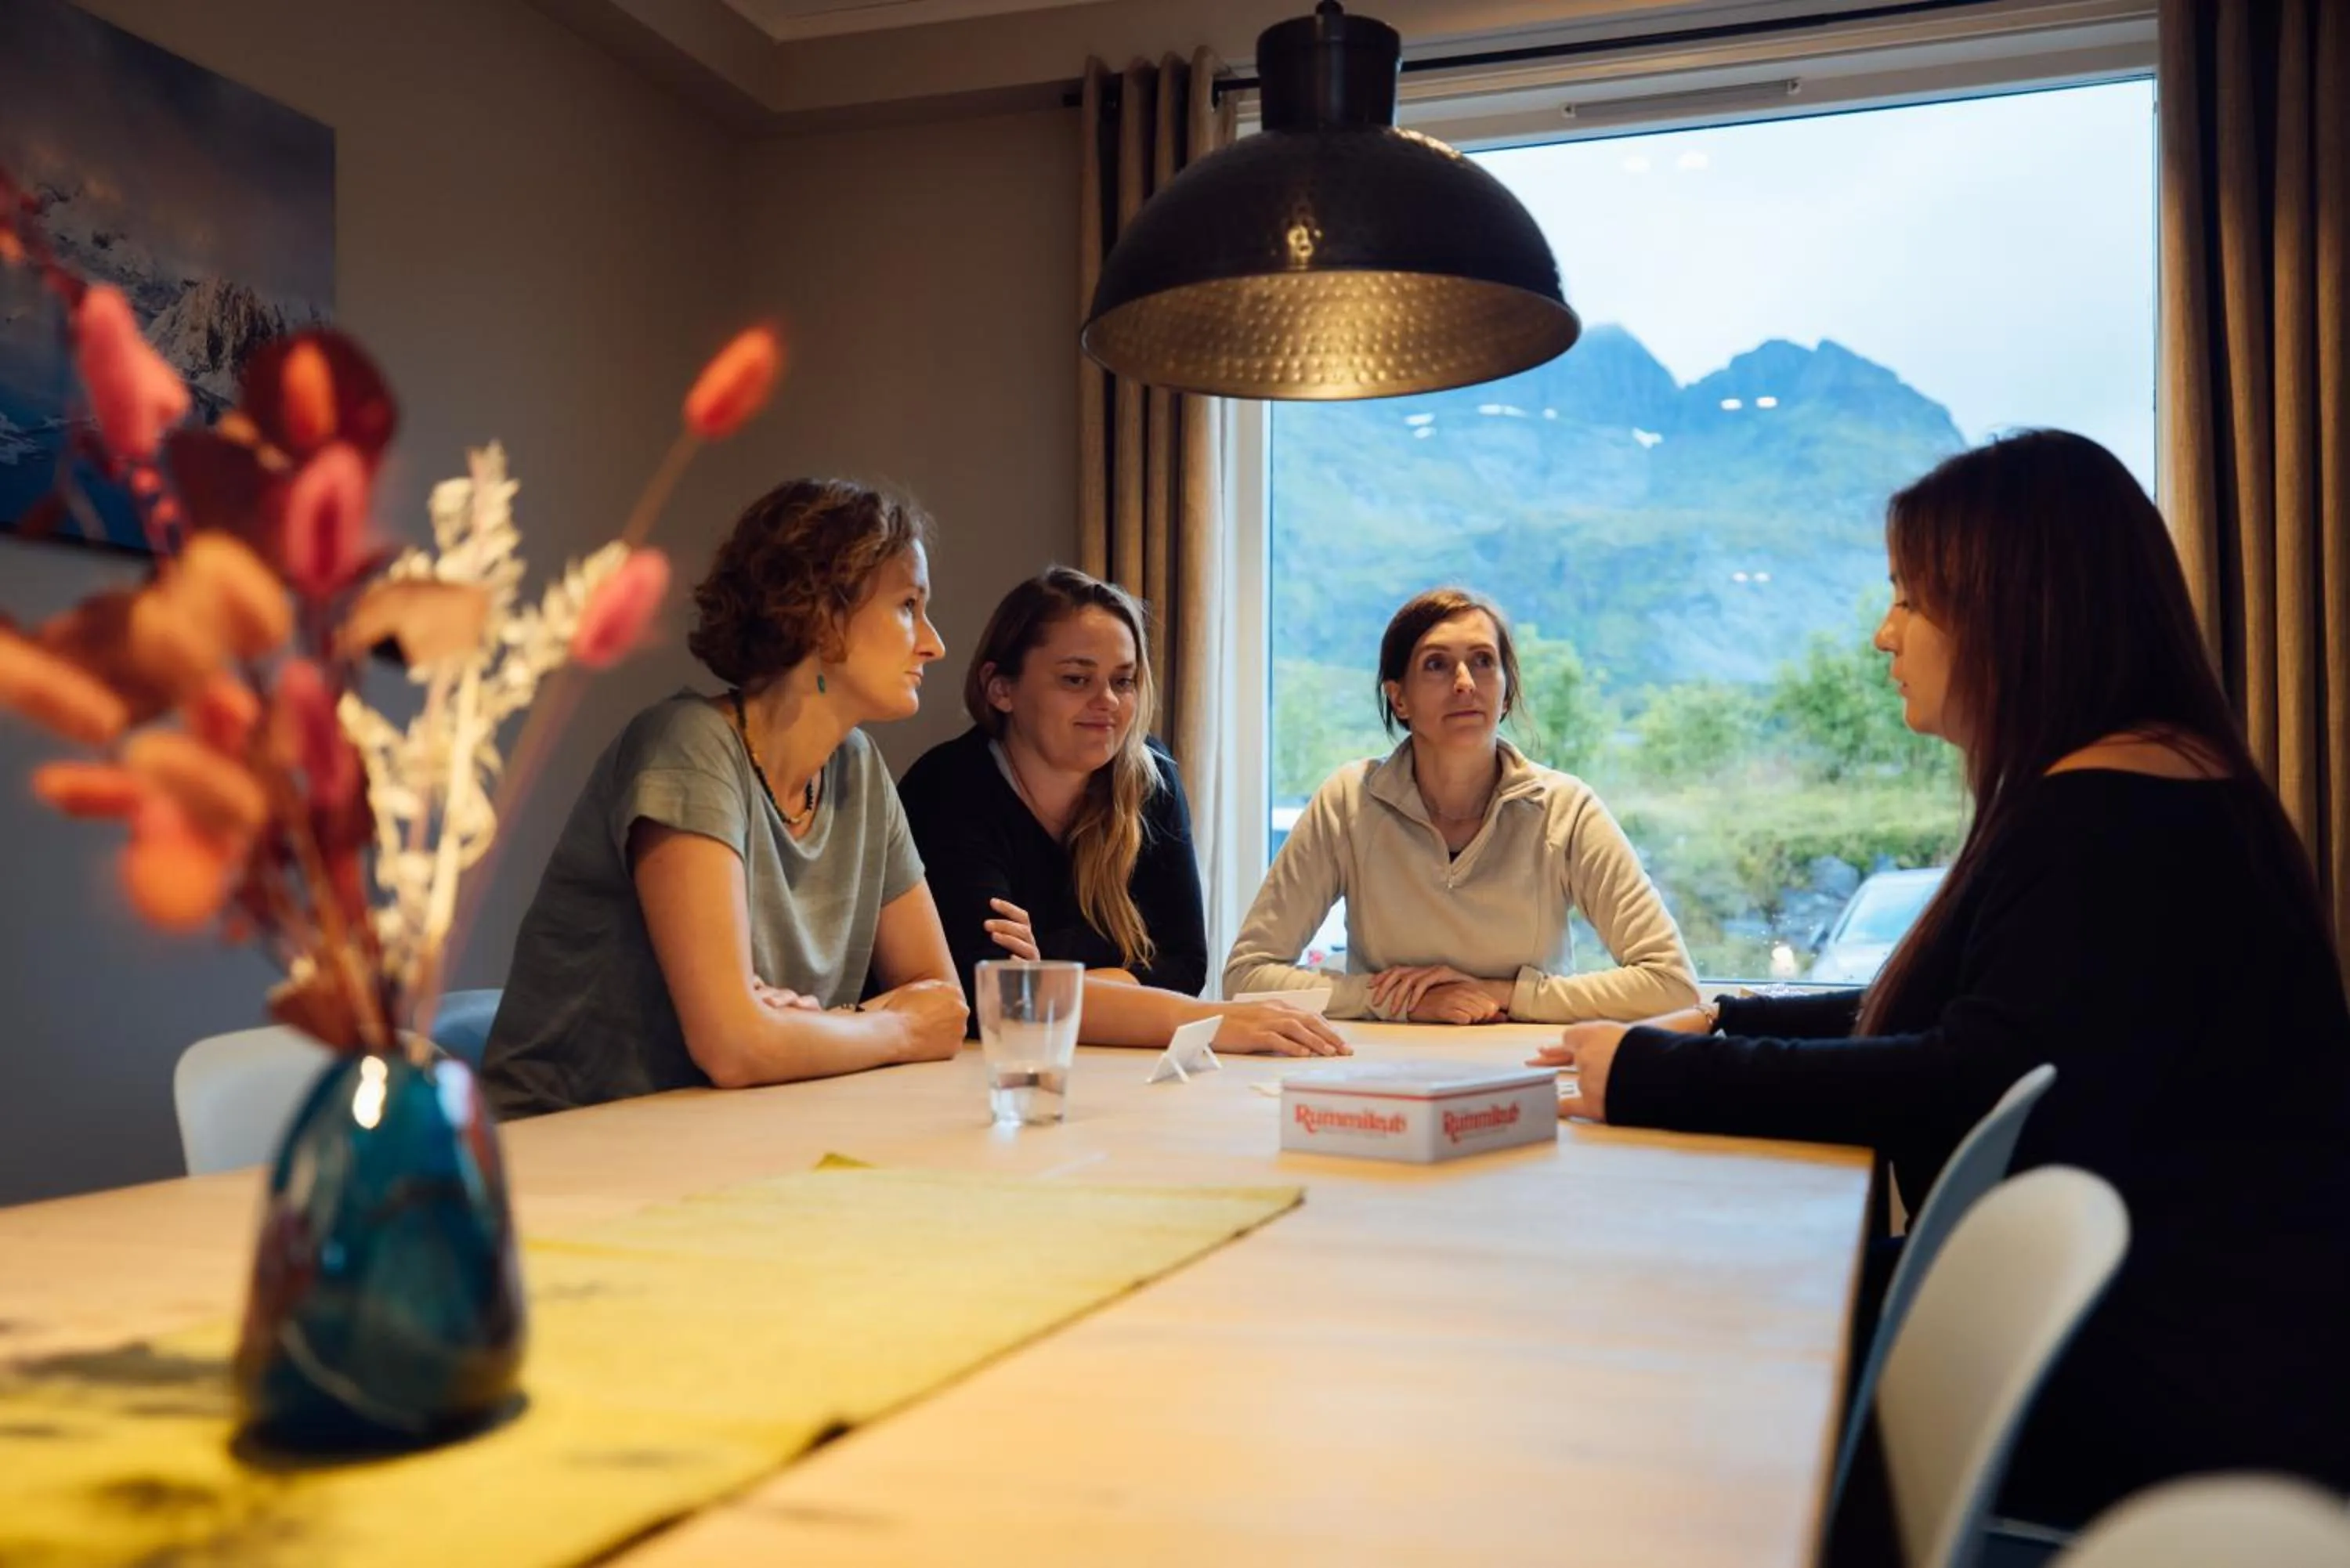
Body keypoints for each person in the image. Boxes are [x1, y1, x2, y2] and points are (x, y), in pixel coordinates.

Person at [1533, 430, 2350, 1531]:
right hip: (2181, 1342)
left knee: (1672, 1332)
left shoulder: (2108, 820)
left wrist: (1654, 1074)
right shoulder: (2149, 787)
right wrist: (1728, 1017)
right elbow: (1961, 1013)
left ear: (2020, 610)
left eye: (1911, 599)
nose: (1885, 633)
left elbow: (1962, 1075)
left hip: (2155, 1384)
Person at [482, 479, 969, 1118]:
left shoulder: (858, 769)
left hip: (718, 1134)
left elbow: (943, 1004)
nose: (933, 642)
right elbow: (735, 1047)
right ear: (823, 615)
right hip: (562, 1149)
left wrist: (816, 1024)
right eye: (908, 604)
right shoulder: (687, 747)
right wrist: (890, 1027)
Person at [898, 566, 1347, 1057]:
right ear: (1001, 688)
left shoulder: (1150, 775)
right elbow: (994, 995)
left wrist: (1049, 967)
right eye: (1076, 679)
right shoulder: (948, 787)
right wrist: (1201, 1017)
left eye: (1124, 680)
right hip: (978, 1076)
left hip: (1109, 1062)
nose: (1107, 701)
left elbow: (1184, 963)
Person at [1224, 587, 1697, 1024]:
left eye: (1483, 661)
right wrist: (1395, 1000)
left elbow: (1672, 984)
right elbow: (1247, 977)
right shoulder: (1348, 800)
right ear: (1399, 697)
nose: (1465, 682)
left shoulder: (1567, 809)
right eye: (1436, 664)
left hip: (1528, 1071)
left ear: (1507, 691)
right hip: (1381, 1074)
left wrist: (1503, 993)